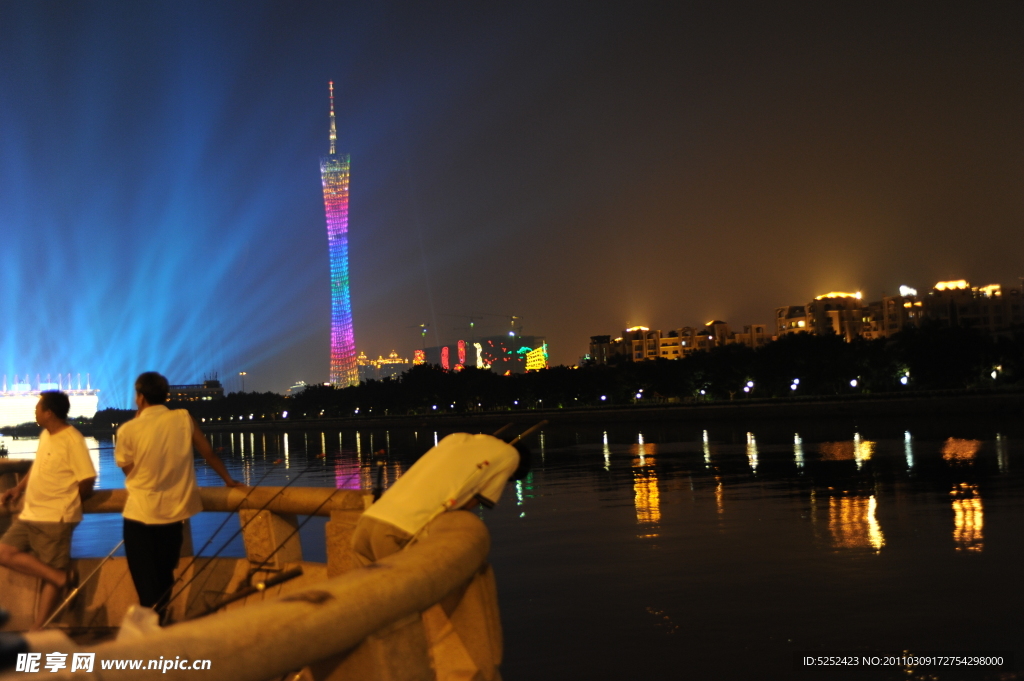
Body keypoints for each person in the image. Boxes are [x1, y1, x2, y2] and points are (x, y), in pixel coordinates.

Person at [115, 372, 240, 620]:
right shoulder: (183, 418)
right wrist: (228, 480)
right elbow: (209, 453)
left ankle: (153, 635)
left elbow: (128, 469)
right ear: (166, 396)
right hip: (174, 514)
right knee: (165, 574)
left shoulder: (128, 429)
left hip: (140, 513)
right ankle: (161, 623)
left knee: (145, 581)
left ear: (140, 397)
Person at [352, 432, 530, 565]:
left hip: (367, 522)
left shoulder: (455, 439)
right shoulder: (509, 456)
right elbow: (476, 501)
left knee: (364, 602)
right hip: (401, 530)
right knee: (405, 606)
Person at [0, 391, 96, 630]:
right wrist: (19, 489)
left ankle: (39, 627)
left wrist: (68, 503)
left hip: (55, 517)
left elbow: (87, 479)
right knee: (4, 552)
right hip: (31, 513)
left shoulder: (72, 439)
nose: (35, 411)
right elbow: (37, 467)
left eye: (38, 407)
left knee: (53, 566)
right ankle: (61, 579)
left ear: (49, 412)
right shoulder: (46, 435)